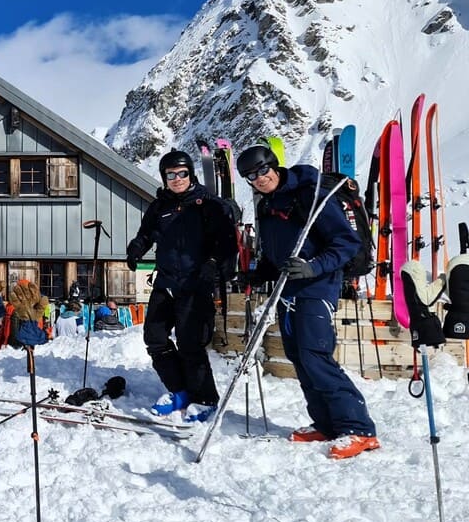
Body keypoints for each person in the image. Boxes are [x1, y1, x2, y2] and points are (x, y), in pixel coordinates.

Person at [236, 143, 379, 459]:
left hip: (317, 287)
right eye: (251, 176)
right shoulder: (267, 204)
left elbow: (346, 243)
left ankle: (359, 429)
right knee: (299, 357)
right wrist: (260, 274)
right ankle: (327, 424)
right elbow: (277, 253)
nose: (260, 178)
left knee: (316, 356)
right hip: (288, 291)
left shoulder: (310, 195)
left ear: (274, 165)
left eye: (263, 170)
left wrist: (313, 266)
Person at [126, 149, 237, 422]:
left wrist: (214, 264)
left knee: (190, 344)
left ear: (191, 174)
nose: (177, 179)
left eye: (182, 173)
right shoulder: (159, 206)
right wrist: (137, 247)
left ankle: (205, 398)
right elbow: (146, 234)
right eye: (171, 175)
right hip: (165, 282)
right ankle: (179, 391)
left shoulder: (208, 204)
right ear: (164, 177)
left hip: (195, 284)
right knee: (155, 338)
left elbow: (226, 243)